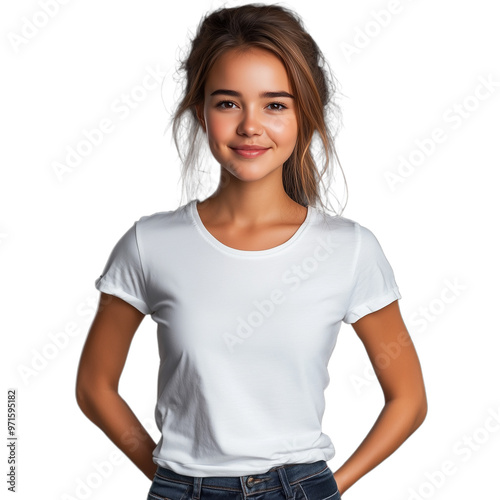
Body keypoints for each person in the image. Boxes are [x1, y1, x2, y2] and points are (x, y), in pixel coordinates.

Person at [75, 4, 427, 499]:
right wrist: (167, 479)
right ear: (201, 112)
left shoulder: (350, 251)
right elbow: (95, 386)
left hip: (300, 485)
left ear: (305, 113)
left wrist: (326, 489)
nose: (250, 126)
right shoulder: (149, 244)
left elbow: (408, 400)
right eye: (228, 103)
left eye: (275, 105)